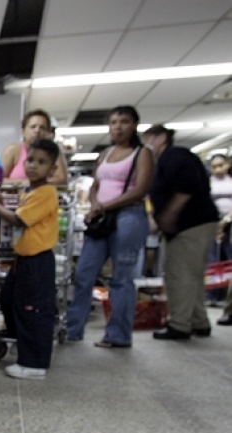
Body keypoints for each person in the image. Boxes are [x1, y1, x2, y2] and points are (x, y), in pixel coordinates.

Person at [65, 105, 154, 347]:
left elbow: (140, 190)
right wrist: (95, 205)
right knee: (84, 274)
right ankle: (72, 329)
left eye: (124, 122)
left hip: (129, 217)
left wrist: (105, 206)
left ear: (134, 125)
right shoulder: (104, 154)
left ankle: (118, 335)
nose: (118, 127)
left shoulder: (142, 153)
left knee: (121, 278)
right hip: (101, 218)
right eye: (114, 122)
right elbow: (95, 185)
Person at [0, 138, 61, 379]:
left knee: (33, 310)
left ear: (52, 169)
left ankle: (34, 363)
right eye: (30, 160)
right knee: (8, 299)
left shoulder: (46, 192)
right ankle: (19, 337)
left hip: (37, 261)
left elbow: (20, 220)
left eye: (41, 162)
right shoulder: (30, 191)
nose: (33, 165)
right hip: (23, 259)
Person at [142, 124, 219, 340]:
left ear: (161, 138)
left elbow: (186, 187)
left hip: (189, 224)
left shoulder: (175, 156)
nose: (145, 145)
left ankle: (180, 324)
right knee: (192, 275)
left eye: (148, 139)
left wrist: (169, 215)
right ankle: (198, 321)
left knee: (180, 275)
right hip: (193, 223)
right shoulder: (167, 160)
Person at [1, 110, 68, 186]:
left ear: (48, 133)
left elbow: (61, 179)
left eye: (42, 128)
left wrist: (35, 183)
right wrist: (25, 183)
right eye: (33, 127)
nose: (37, 130)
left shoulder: (53, 151)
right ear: (23, 131)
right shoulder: (13, 150)